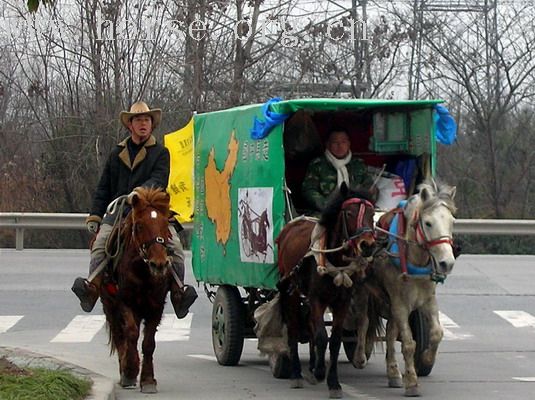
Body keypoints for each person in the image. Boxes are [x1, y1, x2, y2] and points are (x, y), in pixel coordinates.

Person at [71, 101, 197, 319]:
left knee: (174, 244)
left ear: (152, 125)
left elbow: (159, 179)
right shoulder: (116, 153)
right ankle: (92, 288)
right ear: (130, 125)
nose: (143, 124)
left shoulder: (160, 153)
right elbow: (104, 187)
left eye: (146, 120)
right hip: (119, 210)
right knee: (102, 243)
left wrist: (140, 192)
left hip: (151, 209)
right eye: (138, 120)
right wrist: (95, 214)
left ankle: (179, 292)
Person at [302, 129, 376, 213]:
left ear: (349, 144)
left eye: (343, 142)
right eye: (335, 142)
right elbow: (309, 190)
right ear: (327, 144)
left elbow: (370, 186)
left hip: (354, 211)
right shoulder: (318, 165)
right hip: (324, 212)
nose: (340, 146)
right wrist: (325, 205)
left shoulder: (358, 165)